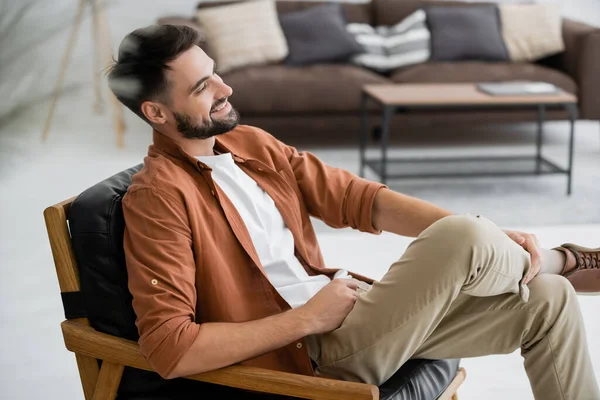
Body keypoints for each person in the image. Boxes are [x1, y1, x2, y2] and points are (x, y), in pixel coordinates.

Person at [108, 25, 600, 399]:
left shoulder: (248, 144)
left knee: (549, 298)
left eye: (216, 73)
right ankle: (561, 257)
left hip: (357, 313)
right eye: (202, 88)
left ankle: (549, 266)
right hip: (311, 354)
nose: (226, 90)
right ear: (156, 113)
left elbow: (360, 199)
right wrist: (304, 320)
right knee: (465, 237)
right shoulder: (158, 198)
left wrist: (491, 242)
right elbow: (171, 348)